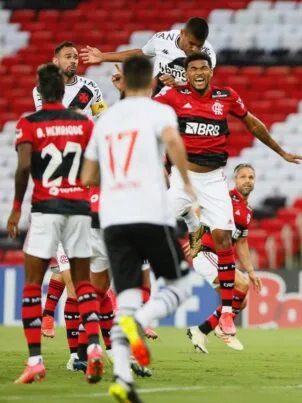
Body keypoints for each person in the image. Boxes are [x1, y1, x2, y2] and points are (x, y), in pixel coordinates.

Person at [150, 51, 302, 338]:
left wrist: (281, 151)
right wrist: (152, 86)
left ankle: (225, 314)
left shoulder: (226, 96)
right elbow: (143, 110)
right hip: (182, 179)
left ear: (211, 72)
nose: (199, 72)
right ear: (187, 72)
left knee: (223, 237)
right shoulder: (173, 94)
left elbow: (252, 123)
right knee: (149, 228)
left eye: (203, 68)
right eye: (193, 68)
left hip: (213, 180)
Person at [81, 55, 196, 402]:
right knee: (185, 284)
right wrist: (188, 183)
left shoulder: (105, 119)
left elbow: (87, 176)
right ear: (150, 81)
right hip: (149, 212)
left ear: (123, 79)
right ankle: (141, 321)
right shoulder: (158, 110)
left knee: (125, 298)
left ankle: (122, 378)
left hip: (112, 220)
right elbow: (173, 142)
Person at [8, 63, 103, 384]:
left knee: (33, 284)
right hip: (78, 208)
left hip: (45, 208)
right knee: (84, 282)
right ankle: (91, 348)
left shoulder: (28, 123)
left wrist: (16, 208)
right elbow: (96, 165)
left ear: (39, 91)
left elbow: (22, 168)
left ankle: (35, 360)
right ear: (63, 91)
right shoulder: (82, 123)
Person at [31, 42, 107, 362]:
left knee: (82, 274)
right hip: (58, 186)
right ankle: (77, 351)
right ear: (55, 60)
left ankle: (77, 348)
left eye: (76, 56)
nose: (73, 60)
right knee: (74, 277)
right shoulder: (44, 90)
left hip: (84, 184)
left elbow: (102, 121)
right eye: (67, 56)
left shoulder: (91, 88)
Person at [187, 163, 262, 353]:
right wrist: (195, 234)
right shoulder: (225, 198)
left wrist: (251, 271)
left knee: (241, 300)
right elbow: (198, 209)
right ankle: (220, 328)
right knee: (242, 285)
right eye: (243, 176)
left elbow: (242, 243)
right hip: (206, 253)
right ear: (235, 180)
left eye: (251, 177)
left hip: (221, 258)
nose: (247, 180)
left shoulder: (248, 210)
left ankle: (201, 329)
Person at [80, 17, 216, 94]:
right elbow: (140, 54)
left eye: (199, 45)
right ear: (182, 33)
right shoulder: (162, 39)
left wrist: (178, 83)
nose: (195, 49)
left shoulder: (208, 55)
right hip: (156, 100)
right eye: (191, 43)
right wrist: (103, 56)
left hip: (185, 107)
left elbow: (203, 88)